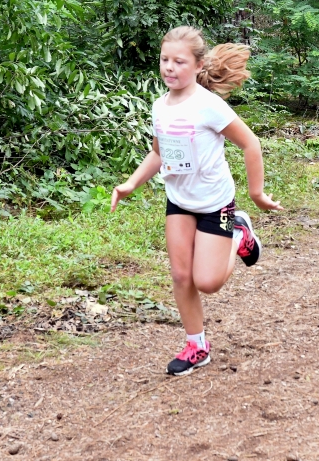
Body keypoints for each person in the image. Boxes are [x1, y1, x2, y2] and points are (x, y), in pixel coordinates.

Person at [111, 26, 283, 376]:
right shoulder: (160, 106)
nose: (169, 67)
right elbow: (158, 153)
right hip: (179, 201)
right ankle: (197, 346)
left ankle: (239, 234)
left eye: (179, 61)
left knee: (208, 283)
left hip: (215, 204)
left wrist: (256, 194)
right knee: (181, 275)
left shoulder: (209, 106)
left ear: (198, 65)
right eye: (165, 60)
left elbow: (250, 143)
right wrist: (130, 184)